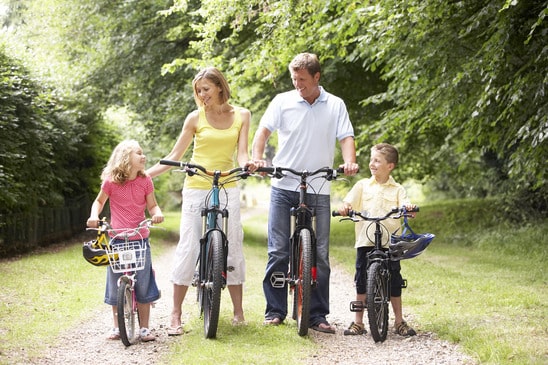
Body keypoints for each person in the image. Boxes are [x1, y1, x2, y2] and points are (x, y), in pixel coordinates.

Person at [252, 52, 359, 333]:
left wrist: (349, 161)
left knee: (320, 255)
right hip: (283, 184)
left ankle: (317, 315)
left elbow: (346, 137)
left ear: (316, 77)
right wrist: (259, 158)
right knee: (278, 251)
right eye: (294, 79)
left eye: (302, 79)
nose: (297, 84)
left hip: (319, 186)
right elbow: (262, 133)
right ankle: (275, 310)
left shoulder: (335, 104)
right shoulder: (282, 101)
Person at [147, 67, 257, 335]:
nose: (201, 94)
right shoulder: (195, 118)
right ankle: (175, 314)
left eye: (206, 89)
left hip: (228, 183)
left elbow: (242, 154)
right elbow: (174, 154)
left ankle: (238, 311)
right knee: (189, 244)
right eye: (198, 90)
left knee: (233, 242)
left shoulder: (242, 115)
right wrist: (141, 175)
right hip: (197, 185)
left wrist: (248, 164)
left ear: (220, 87)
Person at [336, 143, 417, 337]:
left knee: (395, 280)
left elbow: (405, 203)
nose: (371, 164)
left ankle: (399, 321)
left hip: (391, 242)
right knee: (362, 281)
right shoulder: (362, 185)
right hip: (366, 240)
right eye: (371, 160)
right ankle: (358, 322)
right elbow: (348, 202)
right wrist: (345, 208)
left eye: (377, 160)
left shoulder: (397, 189)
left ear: (390, 166)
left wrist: (409, 208)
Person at [86, 139, 164, 342]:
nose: (143, 156)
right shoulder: (111, 181)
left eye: (143, 153)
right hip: (118, 238)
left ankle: (145, 328)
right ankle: (117, 327)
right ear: (125, 158)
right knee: (115, 280)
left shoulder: (145, 180)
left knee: (143, 280)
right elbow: (99, 201)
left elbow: (153, 206)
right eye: (138, 153)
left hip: (139, 238)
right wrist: (94, 216)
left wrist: (157, 213)